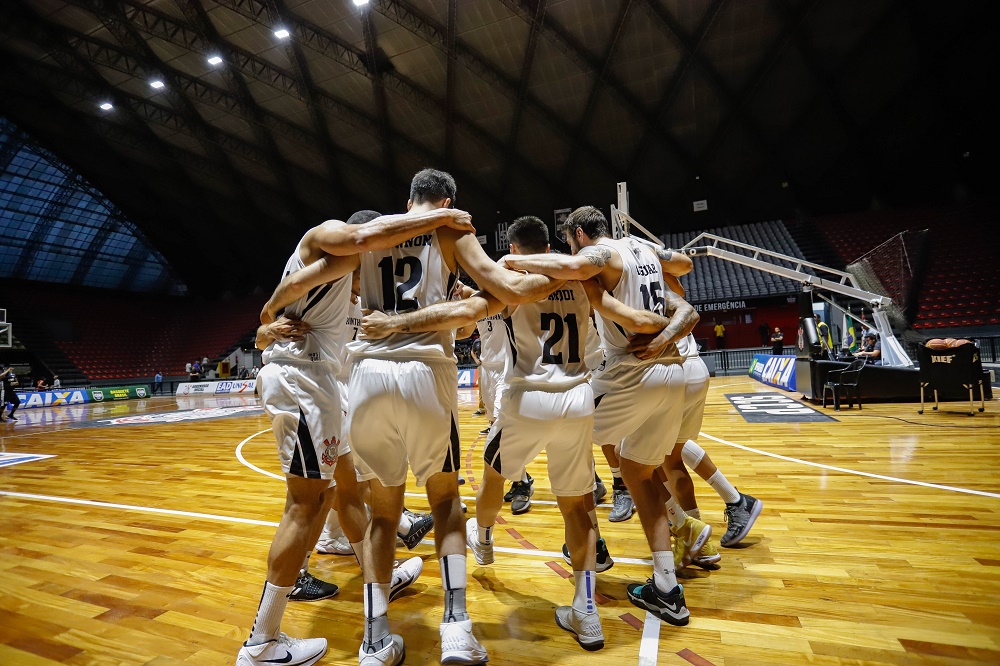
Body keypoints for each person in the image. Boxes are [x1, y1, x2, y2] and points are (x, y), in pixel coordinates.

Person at [362, 215, 687, 650]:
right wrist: (666, 334)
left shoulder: (511, 276)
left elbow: (469, 316)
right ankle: (586, 613)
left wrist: (439, 306)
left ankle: (486, 537)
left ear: (515, 250)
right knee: (580, 509)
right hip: (576, 398)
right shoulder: (586, 280)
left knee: (493, 473)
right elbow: (630, 313)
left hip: (527, 396)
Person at [237, 204, 474, 666]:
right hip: (302, 382)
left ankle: (375, 577)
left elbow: (284, 301)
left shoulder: (352, 287)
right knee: (305, 503)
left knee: (349, 490)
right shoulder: (328, 236)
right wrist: (437, 220)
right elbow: (298, 290)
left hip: (326, 387)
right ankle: (261, 641)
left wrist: (266, 320)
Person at [346, 169, 562, 665]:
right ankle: (457, 628)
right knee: (444, 502)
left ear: (409, 199)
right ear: (447, 201)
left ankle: (375, 641)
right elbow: (509, 287)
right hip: (424, 371)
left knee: (384, 511)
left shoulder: (374, 230)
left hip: (365, 373)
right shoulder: (451, 229)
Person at [503, 206, 706, 626]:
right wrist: (666, 336)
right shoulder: (645, 252)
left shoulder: (604, 255)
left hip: (630, 371)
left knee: (564, 428)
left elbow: (577, 265)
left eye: (570, 240)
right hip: (673, 373)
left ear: (579, 234)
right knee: (639, 471)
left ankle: (589, 553)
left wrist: (514, 260)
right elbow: (685, 294)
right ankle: (667, 586)